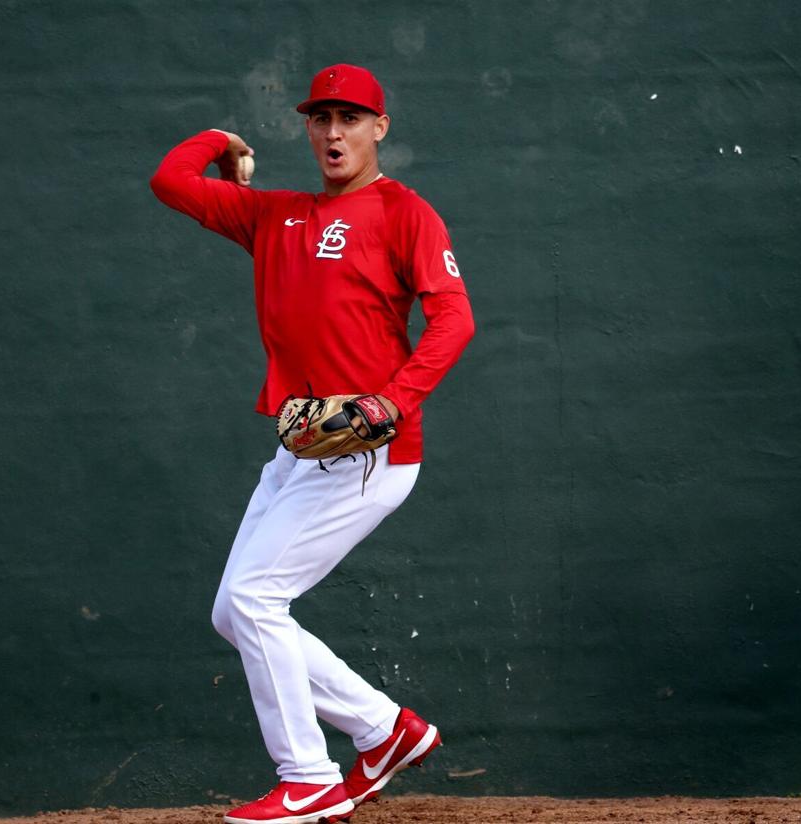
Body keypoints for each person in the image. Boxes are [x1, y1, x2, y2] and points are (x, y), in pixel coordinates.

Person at [151, 64, 475, 824]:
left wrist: (391, 403)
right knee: (236, 613)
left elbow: (454, 318)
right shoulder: (273, 215)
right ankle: (381, 728)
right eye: (321, 118)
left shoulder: (404, 212)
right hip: (300, 449)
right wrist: (223, 142)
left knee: (256, 598)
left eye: (351, 118)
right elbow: (171, 180)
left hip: (370, 453)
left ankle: (309, 778)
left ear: (378, 128)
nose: (334, 132)